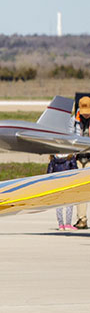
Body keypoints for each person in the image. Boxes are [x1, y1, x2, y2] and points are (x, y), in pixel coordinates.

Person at [71, 96, 90, 229]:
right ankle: (81, 219)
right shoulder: (73, 121)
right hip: (78, 158)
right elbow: (68, 137)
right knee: (80, 190)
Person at [47, 153, 78, 230]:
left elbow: (49, 173)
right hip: (69, 183)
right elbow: (75, 170)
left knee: (59, 205)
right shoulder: (71, 158)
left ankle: (61, 224)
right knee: (69, 204)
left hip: (57, 184)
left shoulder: (53, 159)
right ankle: (68, 224)